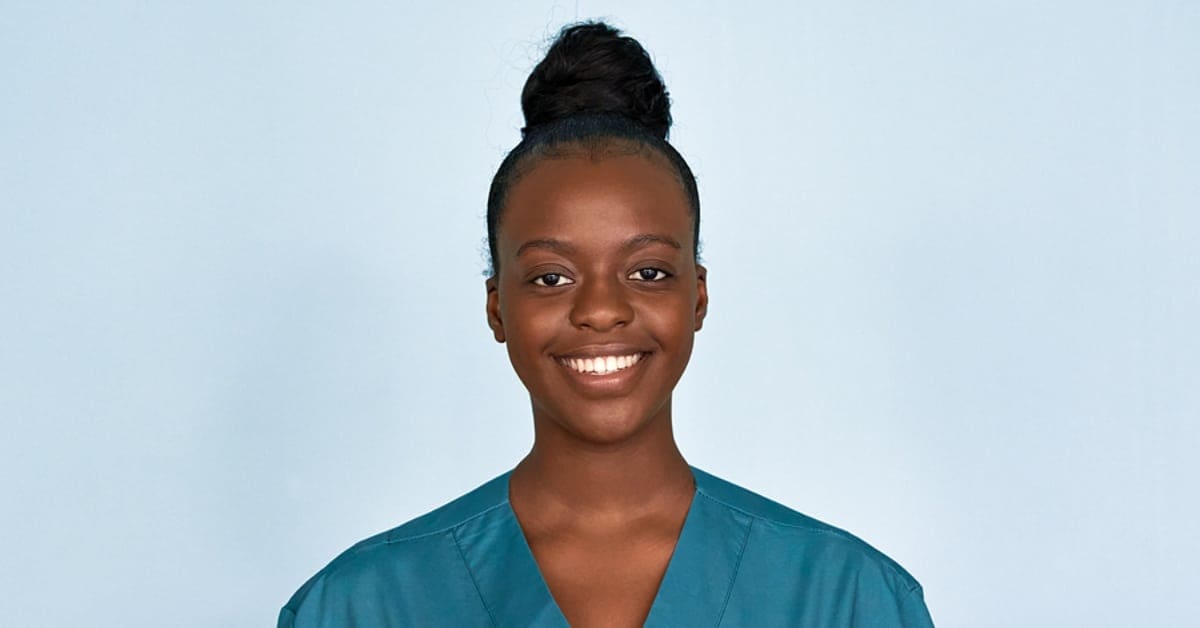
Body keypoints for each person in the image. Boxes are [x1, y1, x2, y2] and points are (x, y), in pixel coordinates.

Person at [279, 21, 934, 628]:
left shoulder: (845, 598)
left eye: (648, 272)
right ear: (497, 307)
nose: (600, 310)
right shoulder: (362, 606)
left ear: (698, 297)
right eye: (550, 277)